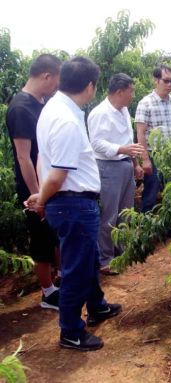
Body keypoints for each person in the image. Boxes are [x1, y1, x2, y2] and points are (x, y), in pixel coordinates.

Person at [25, 57, 122, 351]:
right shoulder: (66, 118)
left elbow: (45, 159)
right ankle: (70, 330)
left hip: (71, 202)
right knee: (77, 268)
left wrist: (42, 194)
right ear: (90, 86)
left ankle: (97, 305)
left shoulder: (56, 109)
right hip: (73, 204)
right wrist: (42, 198)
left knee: (88, 259)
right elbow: (58, 172)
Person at [6, 54, 62, 310]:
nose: (57, 88)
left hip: (48, 181)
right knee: (40, 237)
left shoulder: (41, 103)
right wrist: (36, 195)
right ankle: (47, 292)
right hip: (34, 187)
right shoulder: (21, 107)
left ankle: (58, 280)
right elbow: (23, 156)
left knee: (54, 235)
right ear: (46, 76)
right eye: (56, 81)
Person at [88, 73, 144, 275]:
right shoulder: (100, 113)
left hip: (125, 165)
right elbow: (97, 143)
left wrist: (134, 163)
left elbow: (129, 138)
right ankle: (105, 259)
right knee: (109, 215)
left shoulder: (123, 110)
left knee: (125, 212)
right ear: (120, 92)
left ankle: (123, 252)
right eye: (131, 91)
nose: (132, 95)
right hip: (108, 168)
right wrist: (122, 150)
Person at [135, 65, 171, 213]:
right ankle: (146, 227)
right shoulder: (145, 103)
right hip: (154, 156)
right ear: (156, 80)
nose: (170, 84)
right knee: (151, 193)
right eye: (166, 81)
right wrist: (145, 159)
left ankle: (168, 226)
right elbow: (140, 133)